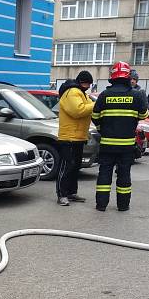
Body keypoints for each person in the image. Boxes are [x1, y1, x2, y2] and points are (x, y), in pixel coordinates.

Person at [91, 61, 149, 212]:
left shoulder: (104, 95)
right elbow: (143, 114)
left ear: (113, 77)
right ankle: (123, 205)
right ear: (128, 77)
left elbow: (95, 116)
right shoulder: (136, 95)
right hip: (127, 145)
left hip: (107, 144)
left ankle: (101, 205)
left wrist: (101, 129)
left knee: (104, 174)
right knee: (124, 175)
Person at [55, 71, 95, 206]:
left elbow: (88, 108)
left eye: (90, 84)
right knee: (66, 166)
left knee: (75, 166)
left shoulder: (82, 93)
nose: (88, 86)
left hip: (79, 136)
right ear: (80, 82)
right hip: (69, 137)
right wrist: (95, 104)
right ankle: (62, 195)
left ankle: (71, 192)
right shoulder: (72, 92)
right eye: (86, 83)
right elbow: (78, 111)